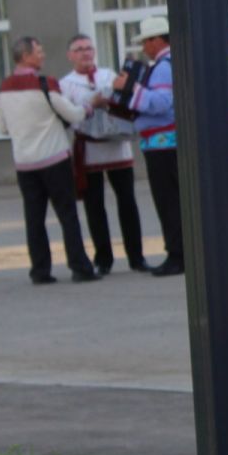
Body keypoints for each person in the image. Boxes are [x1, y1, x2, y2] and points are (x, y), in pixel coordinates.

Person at [0, 36, 96, 286]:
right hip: (53, 159)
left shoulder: (3, 88)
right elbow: (72, 113)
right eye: (38, 51)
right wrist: (89, 106)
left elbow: (1, 128)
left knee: (34, 217)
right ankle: (80, 266)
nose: (42, 55)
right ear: (26, 56)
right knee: (67, 214)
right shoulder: (44, 84)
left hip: (24, 163)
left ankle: (40, 270)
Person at [60, 33, 147, 275]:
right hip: (90, 148)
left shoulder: (109, 75)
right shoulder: (66, 84)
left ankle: (136, 256)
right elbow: (68, 115)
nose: (85, 53)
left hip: (117, 145)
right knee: (94, 205)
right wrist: (91, 103)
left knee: (127, 201)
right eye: (79, 49)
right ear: (70, 56)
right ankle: (103, 258)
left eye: (88, 48)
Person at [118, 16, 184, 277]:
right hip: (164, 144)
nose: (144, 47)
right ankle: (179, 251)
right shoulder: (167, 64)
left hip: (163, 146)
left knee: (169, 202)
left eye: (146, 41)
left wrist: (128, 89)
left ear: (157, 40)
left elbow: (161, 103)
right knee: (172, 201)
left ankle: (177, 254)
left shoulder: (163, 67)